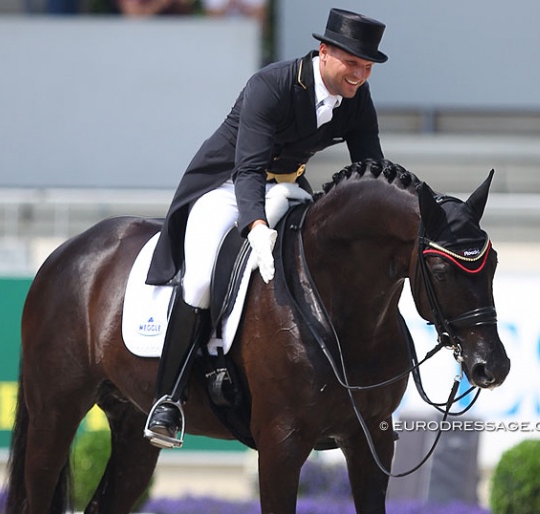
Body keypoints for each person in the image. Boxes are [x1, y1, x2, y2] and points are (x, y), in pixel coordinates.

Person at [143, 8, 389, 449]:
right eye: (352, 63)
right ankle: (169, 400)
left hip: (286, 187)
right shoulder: (271, 86)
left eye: (367, 67)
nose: (359, 75)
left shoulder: (356, 98)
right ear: (324, 51)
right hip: (225, 186)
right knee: (199, 279)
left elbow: (370, 169)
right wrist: (254, 223)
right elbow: (249, 166)